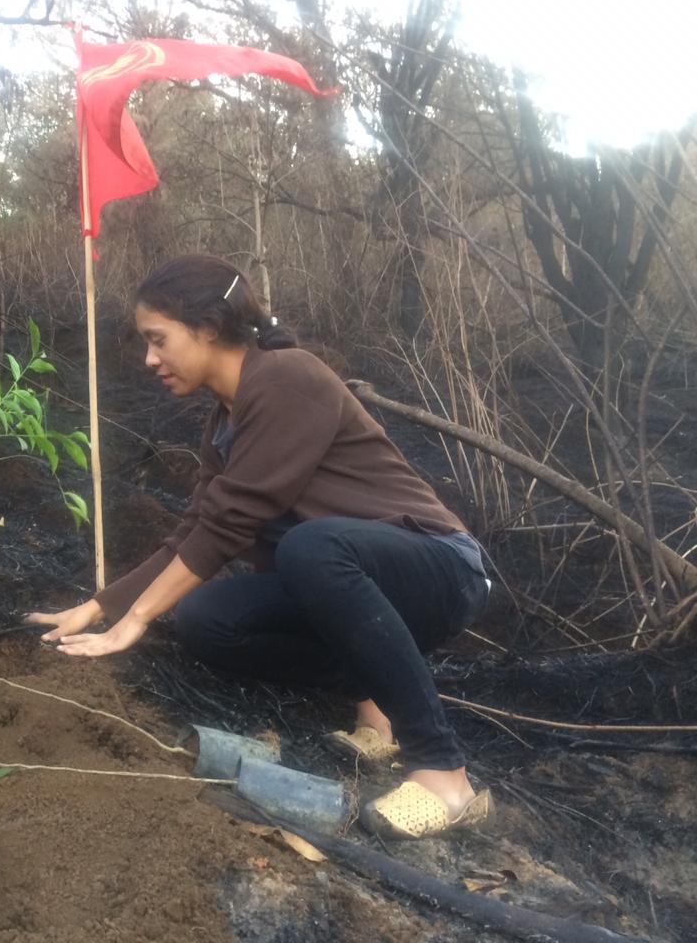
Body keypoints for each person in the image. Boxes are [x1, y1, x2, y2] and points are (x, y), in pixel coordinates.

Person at [26, 254, 492, 839]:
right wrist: (101, 606)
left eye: (158, 340)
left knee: (309, 547)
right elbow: (195, 526)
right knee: (206, 617)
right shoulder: (226, 418)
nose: (149, 359)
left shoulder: (287, 377)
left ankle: (445, 775)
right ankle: (376, 711)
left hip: (443, 568)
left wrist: (137, 620)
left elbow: (230, 524)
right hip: (364, 576)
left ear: (207, 328)